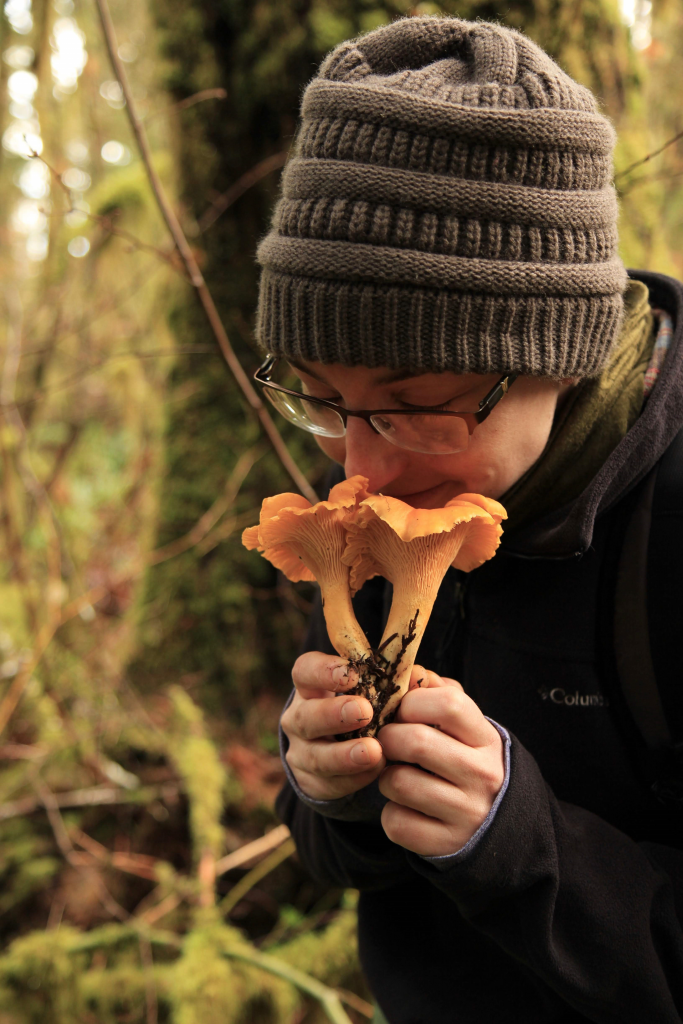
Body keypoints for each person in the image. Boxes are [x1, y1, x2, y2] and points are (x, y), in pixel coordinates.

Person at [252, 16, 683, 1024]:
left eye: (412, 405)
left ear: (560, 355)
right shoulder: (379, 505)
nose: (359, 466)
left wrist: (518, 842)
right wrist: (330, 791)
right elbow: (335, 862)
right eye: (318, 399)